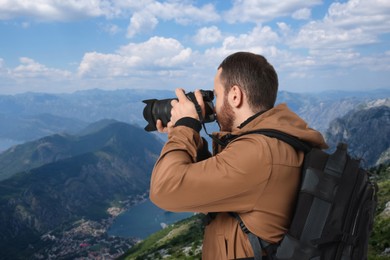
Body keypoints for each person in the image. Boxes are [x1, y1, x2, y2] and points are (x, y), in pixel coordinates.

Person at [149, 52, 327, 259]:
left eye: (216, 94)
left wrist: (185, 126)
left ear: (235, 95)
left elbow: (164, 190)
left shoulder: (261, 153)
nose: (213, 106)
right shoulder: (271, 142)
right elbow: (219, 177)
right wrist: (185, 136)